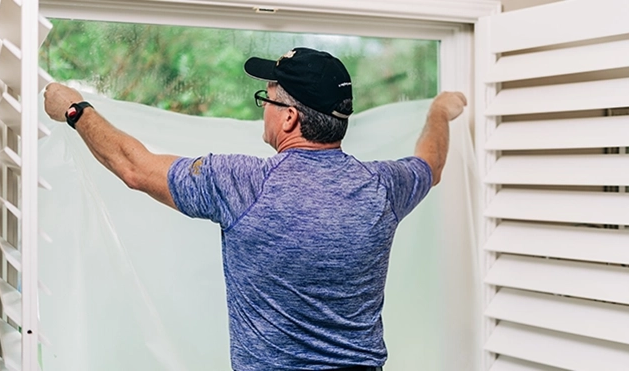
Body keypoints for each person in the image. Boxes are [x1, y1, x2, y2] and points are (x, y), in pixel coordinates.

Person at [44, 47, 466, 371]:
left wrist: (74, 109)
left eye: (268, 98)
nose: (262, 106)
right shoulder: (384, 188)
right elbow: (432, 163)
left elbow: (134, 166)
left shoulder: (244, 184)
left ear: (289, 119)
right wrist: (439, 113)